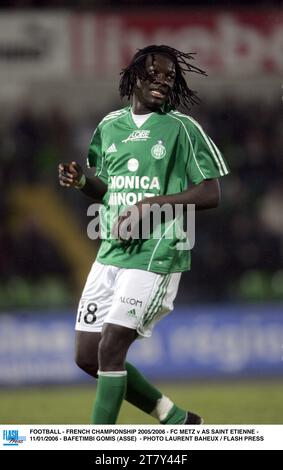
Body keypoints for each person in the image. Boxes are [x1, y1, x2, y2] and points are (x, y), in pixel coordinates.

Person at [58, 45, 229, 424]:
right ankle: (176, 418)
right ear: (135, 76)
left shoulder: (182, 128)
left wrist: (154, 204)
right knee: (88, 355)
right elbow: (110, 192)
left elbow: (211, 193)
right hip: (111, 253)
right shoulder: (109, 127)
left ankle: (99, 443)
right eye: (154, 74)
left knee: (112, 345)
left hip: (158, 252)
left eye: (169, 77)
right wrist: (83, 181)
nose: (162, 81)